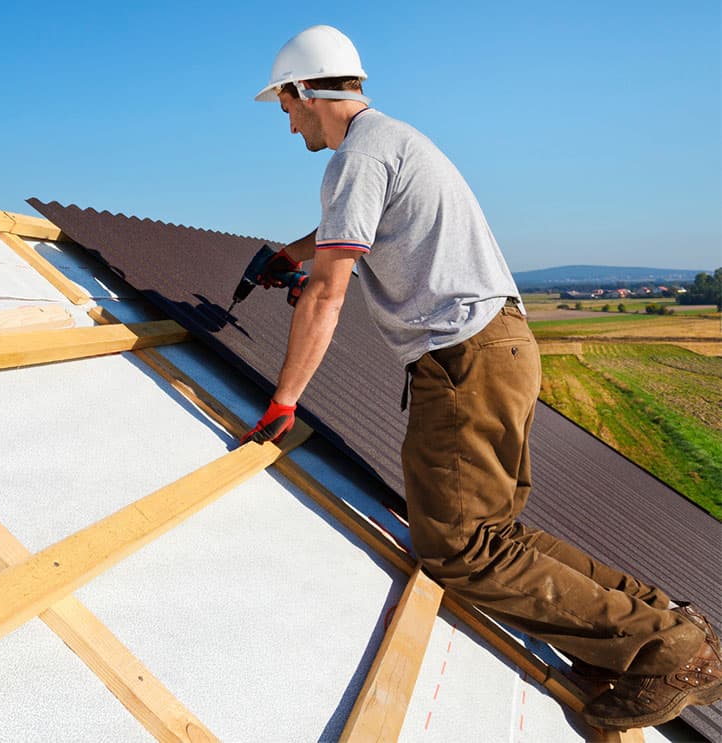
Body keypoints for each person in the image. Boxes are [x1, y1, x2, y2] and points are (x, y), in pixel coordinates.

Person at [239, 25, 722, 731]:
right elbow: (349, 235)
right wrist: (292, 253)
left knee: (458, 546)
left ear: (306, 91)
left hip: (463, 361)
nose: (286, 122)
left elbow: (329, 294)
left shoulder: (355, 159)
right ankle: (670, 632)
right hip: (500, 349)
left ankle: (664, 650)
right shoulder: (393, 143)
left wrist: (283, 402)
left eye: (285, 106)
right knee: (491, 532)